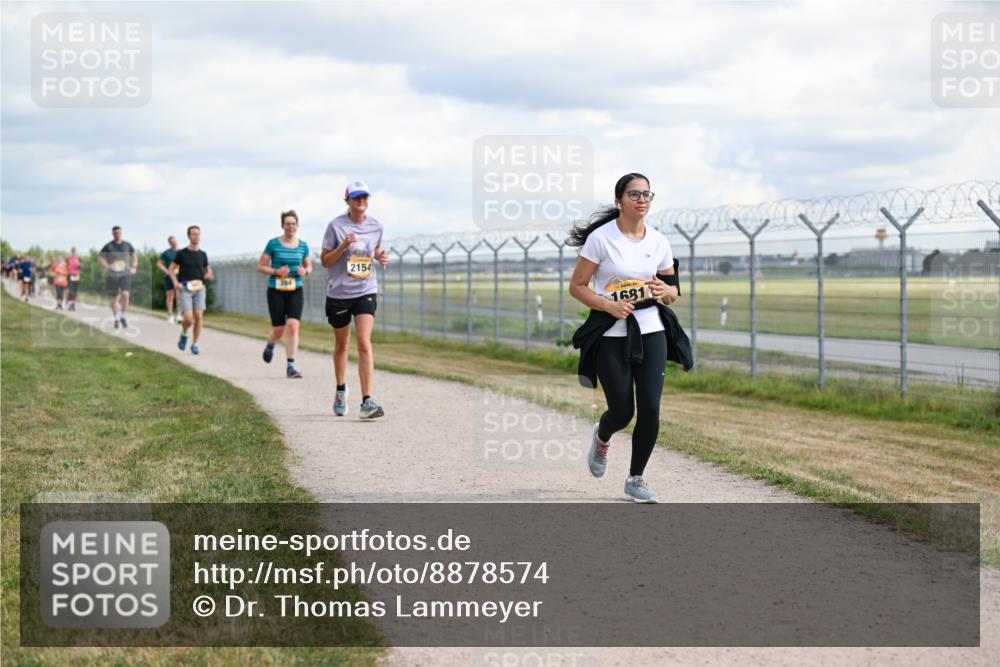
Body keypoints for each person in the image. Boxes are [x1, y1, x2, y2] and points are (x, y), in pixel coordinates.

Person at [567, 173, 680, 504]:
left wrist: (667, 290)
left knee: (650, 408)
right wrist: (608, 306)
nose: (642, 199)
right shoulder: (601, 240)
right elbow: (577, 286)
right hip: (611, 334)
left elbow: (674, 291)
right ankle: (602, 436)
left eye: (647, 194)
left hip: (651, 330)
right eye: (635, 194)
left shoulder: (659, 241)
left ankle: (636, 479)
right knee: (621, 411)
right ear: (619, 201)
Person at [321, 180, 389, 418]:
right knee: (342, 345)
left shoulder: (376, 226)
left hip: (365, 289)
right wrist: (343, 246)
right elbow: (325, 261)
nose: (361, 201)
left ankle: (367, 401)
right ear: (347, 201)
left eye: (365, 197)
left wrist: (380, 256)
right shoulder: (336, 226)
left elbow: (374, 250)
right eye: (357, 197)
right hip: (339, 293)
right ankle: (340, 389)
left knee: (364, 342)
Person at [259, 210, 312, 378]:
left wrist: (305, 271)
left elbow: (309, 266)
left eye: (293, 223)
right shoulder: (273, 244)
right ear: (283, 226)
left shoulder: (303, 245)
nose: (291, 226)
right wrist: (276, 271)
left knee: (293, 326)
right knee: (279, 330)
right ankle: (271, 343)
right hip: (276, 290)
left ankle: (290, 366)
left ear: (297, 226)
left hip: (295, 289)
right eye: (287, 223)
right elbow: (261, 266)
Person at [171, 225, 213, 355]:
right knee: (188, 318)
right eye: (193, 234)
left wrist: (209, 275)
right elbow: (171, 269)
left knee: (199, 316)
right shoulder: (182, 253)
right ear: (189, 236)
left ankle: (194, 344)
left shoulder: (203, 254)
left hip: (200, 288)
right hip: (186, 288)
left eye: (198, 234)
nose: (196, 236)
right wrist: (175, 282)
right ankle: (184, 334)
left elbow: (208, 269)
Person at [98, 226, 138, 329]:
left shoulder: (127, 245)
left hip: (125, 274)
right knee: (114, 299)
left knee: (125, 294)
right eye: (115, 233)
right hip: (112, 275)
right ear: (113, 234)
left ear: (121, 233)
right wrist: (107, 266)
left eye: (119, 232)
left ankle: (123, 316)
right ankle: (116, 318)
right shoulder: (109, 246)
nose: (118, 234)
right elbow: (100, 258)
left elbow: (134, 255)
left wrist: (134, 266)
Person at [156, 236, 181, 323]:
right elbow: (159, 264)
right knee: (170, 296)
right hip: (170, 276)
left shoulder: (181, 252)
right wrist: (166, 271)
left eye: (175, 242)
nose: (174, 243)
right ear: (169, 243)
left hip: (180, 276)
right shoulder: (166, 253)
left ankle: (179, 315)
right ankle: (170, 315)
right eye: (172, 242)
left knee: (179, 295)